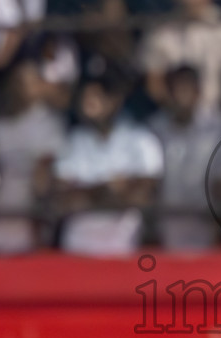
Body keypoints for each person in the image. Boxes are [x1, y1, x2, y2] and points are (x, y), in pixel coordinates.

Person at [54, 75, 162, 256]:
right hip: (77, 249)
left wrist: (88, 193)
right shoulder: (72, 141)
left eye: (96, 97)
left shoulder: (141, 139)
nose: (88, 104)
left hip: (124, 249)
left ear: (114, 101)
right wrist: (108, 189)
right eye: (85, 97)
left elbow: (144, 195)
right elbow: (62, 198)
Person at [0, 58, 68, 254]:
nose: (23, 88)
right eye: (18, 82)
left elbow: (47, 171)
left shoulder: (50, 123)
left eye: (31, 82)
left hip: (32, 214)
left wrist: (40, 209)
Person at [149, 65, 221, 249]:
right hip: (165, 226)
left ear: (198, 92)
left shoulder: (218, 127)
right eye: (176, 90)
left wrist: (218, 228)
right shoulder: (155, 129)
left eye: (187, 89)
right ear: (167, 93)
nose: (181, 97)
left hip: (206, 224)